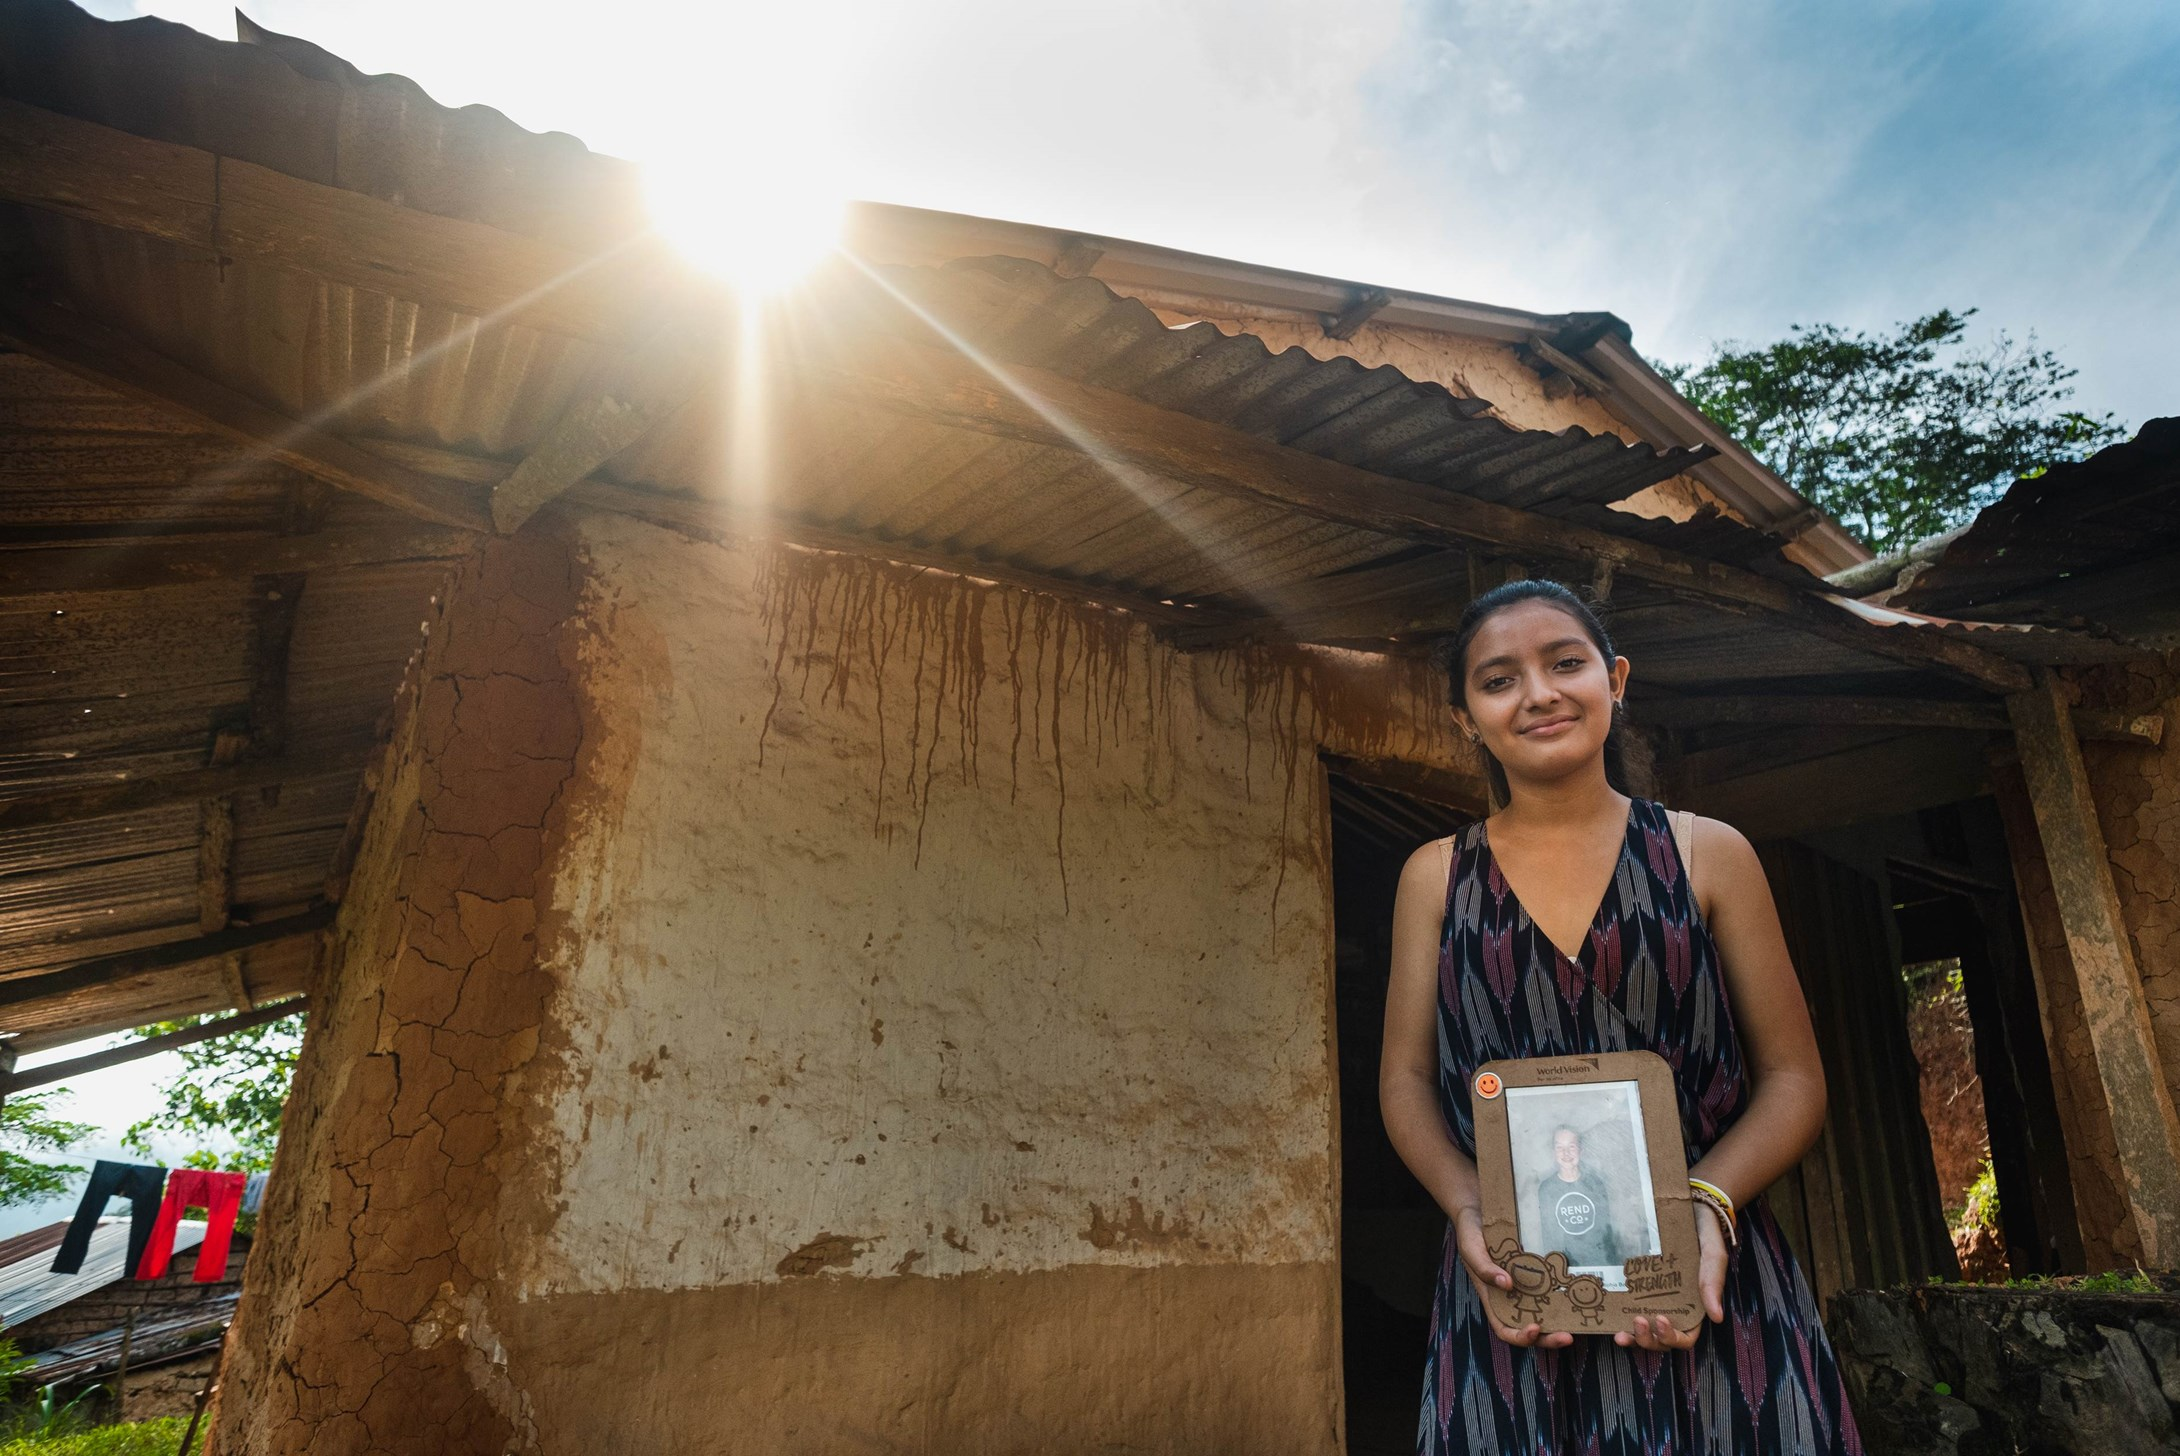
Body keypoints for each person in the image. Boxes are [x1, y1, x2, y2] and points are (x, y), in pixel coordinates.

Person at [1378, 579, 1862, 1455]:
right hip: (1512, 1290)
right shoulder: (1435, 879)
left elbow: (1795, 1079)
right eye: (1499, 679)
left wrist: (1708, 1207)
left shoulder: (1706, 852)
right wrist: (1466, 1209)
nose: (1539, 693)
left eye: (1565, 663)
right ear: (1464, 717)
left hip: (1710, 1289)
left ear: (1616, 678)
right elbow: (1406, 1083)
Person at [1534, 1125, 1621, 1268]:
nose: (1566, 1153)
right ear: (1553, 1153)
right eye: (1560, 1148)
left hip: (1600, 1263)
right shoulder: (1546, 1189)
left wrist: (1612, 1267)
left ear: (1581, 1150)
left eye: (1572, 1147)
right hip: (1567, 1269)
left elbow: (1606, 1233)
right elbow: (1549, 1238)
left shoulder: (1596, 1184)